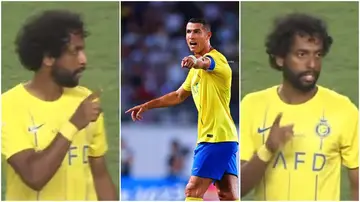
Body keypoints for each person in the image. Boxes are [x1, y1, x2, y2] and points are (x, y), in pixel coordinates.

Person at [240, 13, 359, 201]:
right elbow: (236, 189)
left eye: (318, 54)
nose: (312, 64)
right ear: (280, 58)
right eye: (301, 54)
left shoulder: (343, 110)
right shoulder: (251, 105)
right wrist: (268, 149)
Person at [1, 10, 118, 200]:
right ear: (48, 58)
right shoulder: (9, 106)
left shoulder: (86, 100)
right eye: (75, 51)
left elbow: (100, 175)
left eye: (83, 50)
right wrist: (73, 124)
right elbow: (34, 175)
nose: (84, 60)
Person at [126, 18, 239, 201]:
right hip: (224, 138)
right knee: (227, 195)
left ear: (208, 35)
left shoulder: (217, 61)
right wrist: (147, 105)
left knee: (192, 191)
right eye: (188, 32)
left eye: (196, 32)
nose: (191, 36)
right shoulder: (195, 73)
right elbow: (178, 95)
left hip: (215, 138)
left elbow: (204, 62)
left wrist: (193, 60)